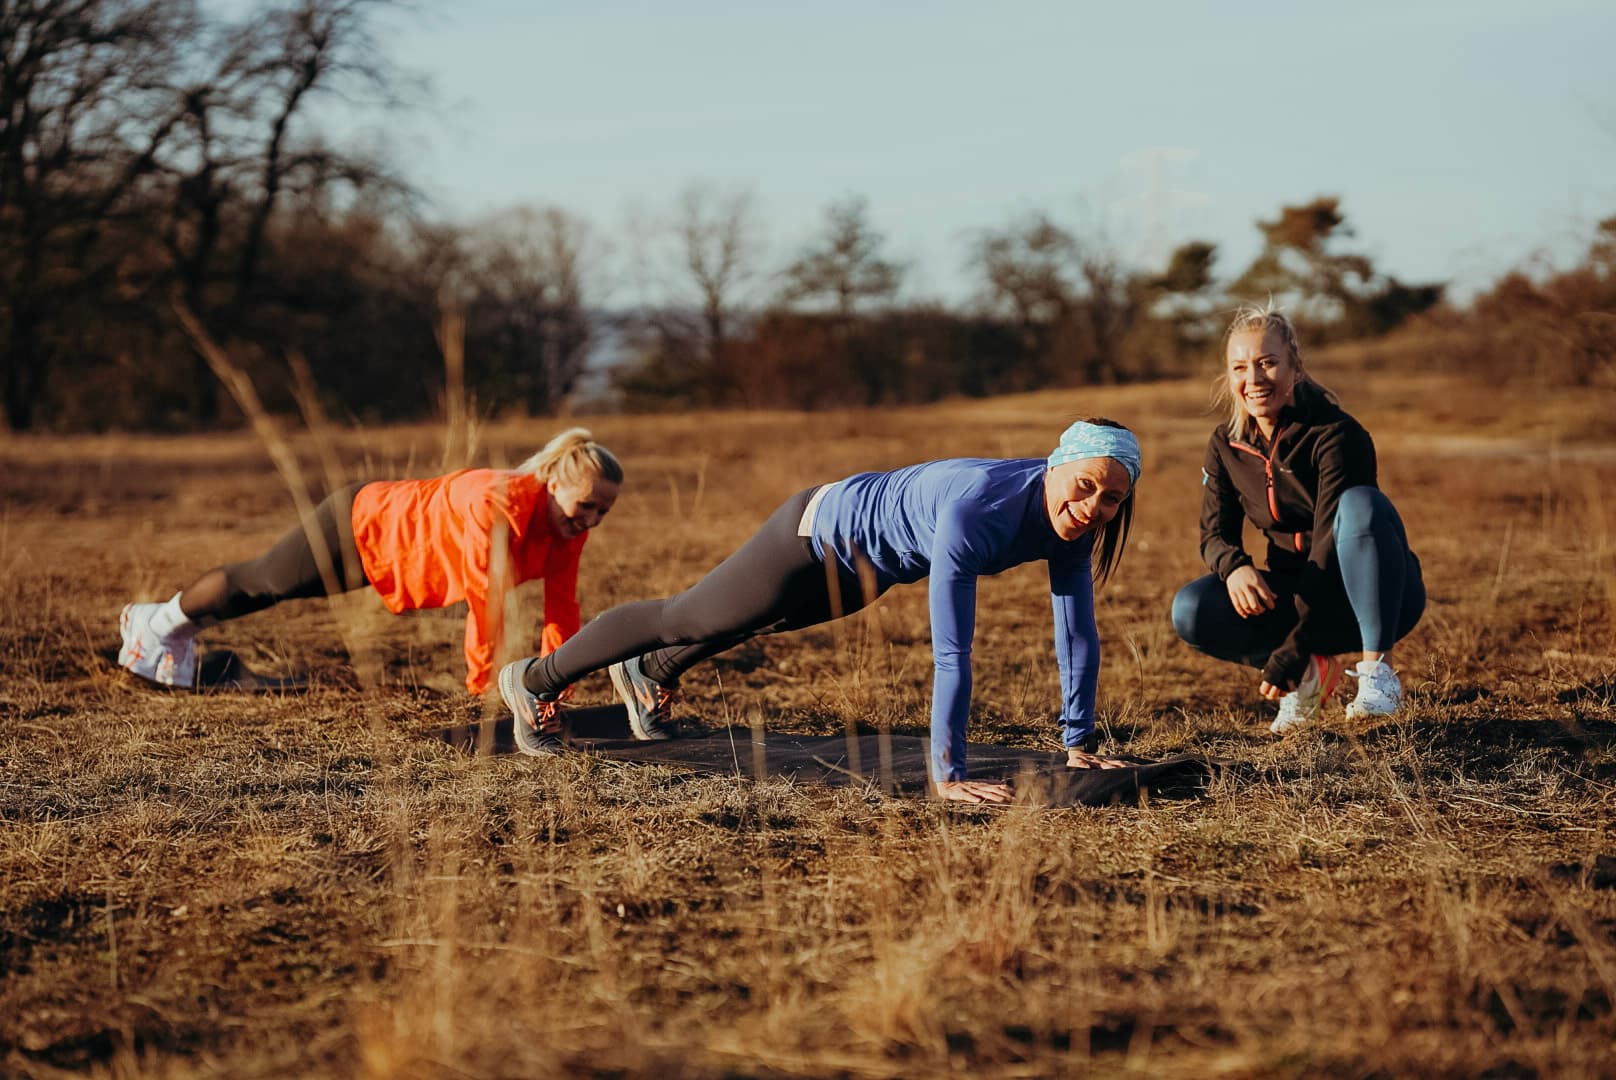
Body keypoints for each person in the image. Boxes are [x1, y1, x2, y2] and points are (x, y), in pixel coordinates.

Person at [497, 419, 1142, 804]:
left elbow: (1076, 633)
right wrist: (949, 775)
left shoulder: (1077, 526)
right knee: (688, 614)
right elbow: (951, 650)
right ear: (1054, 466)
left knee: (754, 620)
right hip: (813, 532)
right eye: (1083, 486)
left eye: (1111, 499)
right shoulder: (980, 508)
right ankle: (535, 679)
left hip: (876, 566)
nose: (1091, 506)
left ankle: (651, 674)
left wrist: (1078, 744)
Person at [117, 428, 623, 697]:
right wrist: (484, 690)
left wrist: (555, 685)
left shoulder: (567, 525)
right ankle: (155, 622)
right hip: (362, 521)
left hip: (394, 556)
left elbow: (563, 609)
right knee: (266, 579)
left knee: (277, 590)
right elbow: (484, 599)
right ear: (554, 482)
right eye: (588, 506)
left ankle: (171, 632)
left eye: (606, 511)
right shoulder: (498, 503)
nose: (595, 520)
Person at [1170, 304, 1424, 734]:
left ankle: (1378, 671)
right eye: (1240, 367)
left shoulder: (1336, 434)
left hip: (1369, 598)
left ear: (1295, 367)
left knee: (1362, 505)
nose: (1253, 380)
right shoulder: (1225, 444)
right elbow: (1213, 533)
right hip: (1294, 600)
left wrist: (1295, 645)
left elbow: (1326, 546)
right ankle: (1310, 679)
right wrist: (1234, 568)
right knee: (1191, 609)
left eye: (1268, 363)